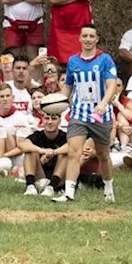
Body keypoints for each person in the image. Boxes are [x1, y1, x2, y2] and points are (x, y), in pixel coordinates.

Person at [54, 24, 120, 204]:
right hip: (79, 114)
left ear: (97, 39)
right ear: (80, 38)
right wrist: (56, 103)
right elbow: (68, 87)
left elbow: (111, 84)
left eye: (92, 36)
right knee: (74, 152)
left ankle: (108, 188)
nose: (88, 39)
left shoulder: (105, 59)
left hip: (100, 114)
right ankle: (69, 193)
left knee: (103, 154)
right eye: (85, 36)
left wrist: (104, 103)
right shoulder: (73, 61)